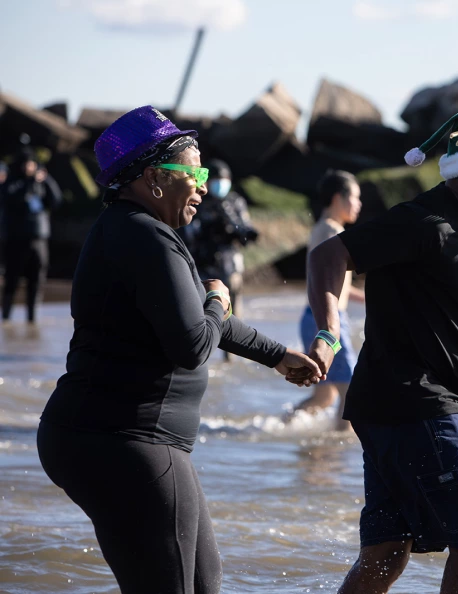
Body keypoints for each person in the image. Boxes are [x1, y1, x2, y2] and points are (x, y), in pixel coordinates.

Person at [36, 106, 322, 594]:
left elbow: (194, 320)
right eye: (196, 174)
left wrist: (276, 355)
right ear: (154, 179)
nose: (204, 188)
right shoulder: (146, 237)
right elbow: (193, 344)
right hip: (129, 440)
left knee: (204, 582)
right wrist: (218, 299)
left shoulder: (129, 229)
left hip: (109, 436)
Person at [299, 107, 458, 594]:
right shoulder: (424, 222)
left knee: (385, 554)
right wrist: (329, 332)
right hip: (414, 400)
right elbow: (329, 255)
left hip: (395, 406)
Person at [283, 170, 364, 431]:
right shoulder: (332, 231)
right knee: (351, 394)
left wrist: (367, 298)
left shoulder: (323, 228)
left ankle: (280, 427)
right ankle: (339, 449)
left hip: (315, 317)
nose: (359, 204)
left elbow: (334, 285)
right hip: (328, 322)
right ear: (338, 198)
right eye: (355, 197)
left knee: (325, 396)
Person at [181, 158, 258, 319]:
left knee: (234, 316)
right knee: (204, 315)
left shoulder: (234, 202)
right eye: (216, 179)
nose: (221, 184)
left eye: (224, 180)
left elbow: (246, 231)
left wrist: (233, 230)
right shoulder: (198, 202)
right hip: (202, 267)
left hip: (230, 265)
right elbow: (188, 235)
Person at [1, 147, 62, 323]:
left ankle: (32, 320)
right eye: (27, 164)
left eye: (32, 164)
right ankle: (5, 319)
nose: (29, 167)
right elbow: (10, 198)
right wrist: (30, 182)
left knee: (36, 281)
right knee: (11, 281)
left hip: (39, 240)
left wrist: (47, 179)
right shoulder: (12, 182)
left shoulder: (41, 183)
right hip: (16, 239)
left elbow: (56, 200)